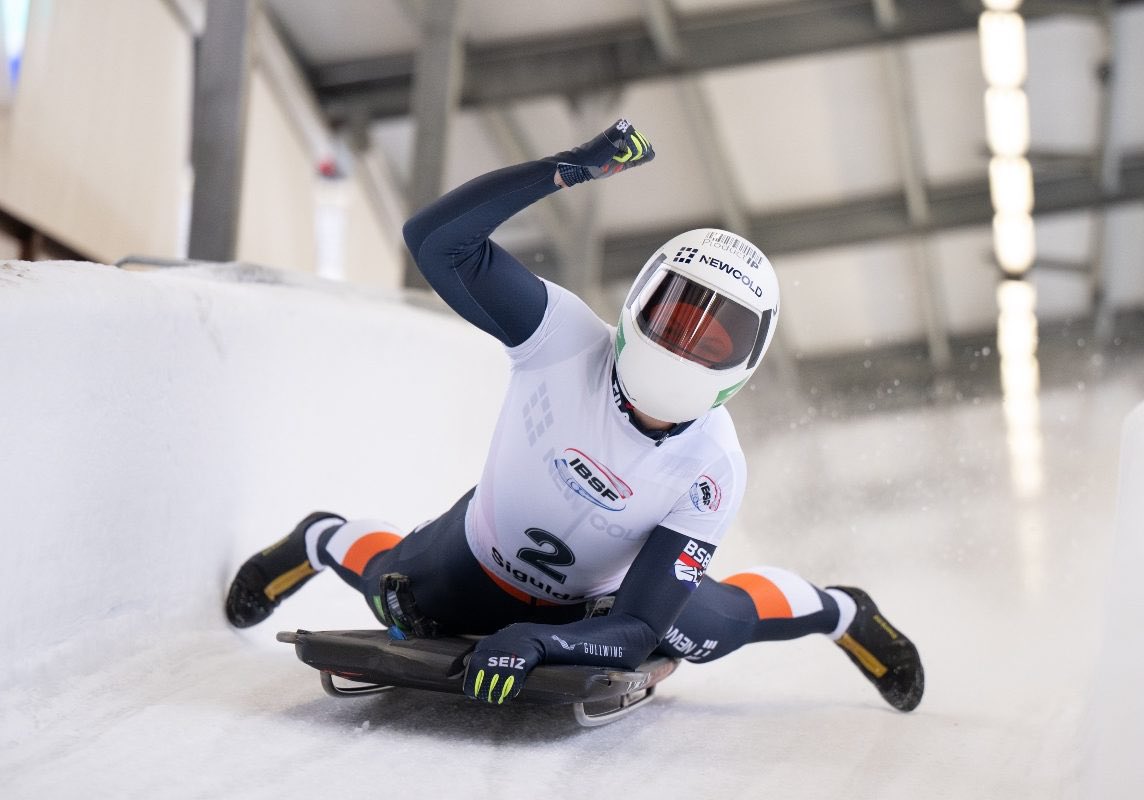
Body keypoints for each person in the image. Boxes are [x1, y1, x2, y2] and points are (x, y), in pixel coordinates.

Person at [225, 119, 923, 712]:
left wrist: (542, 642)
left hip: (597, 603)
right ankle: (317, 539)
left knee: (710, 631)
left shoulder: (712, 467)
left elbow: (638, 622)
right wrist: (565, 171)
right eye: (674, 316)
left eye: (711, 338)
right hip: (471, 560)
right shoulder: (561, 337)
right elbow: (437, 242)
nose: (683, 343)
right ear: (638, 304)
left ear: (741, 363)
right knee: (395, 593)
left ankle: (841, 612)